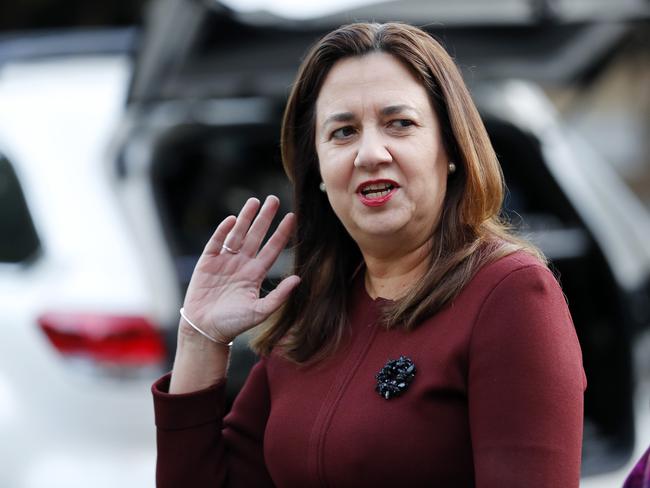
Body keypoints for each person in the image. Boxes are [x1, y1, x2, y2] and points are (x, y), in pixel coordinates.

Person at [152, 22, 586, 487]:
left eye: (400, 124)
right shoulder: (314, 313)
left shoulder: (511, 295)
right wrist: (200, 337)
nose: (370, 153)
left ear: (451, 147)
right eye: (343, 132)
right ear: (317, 166)